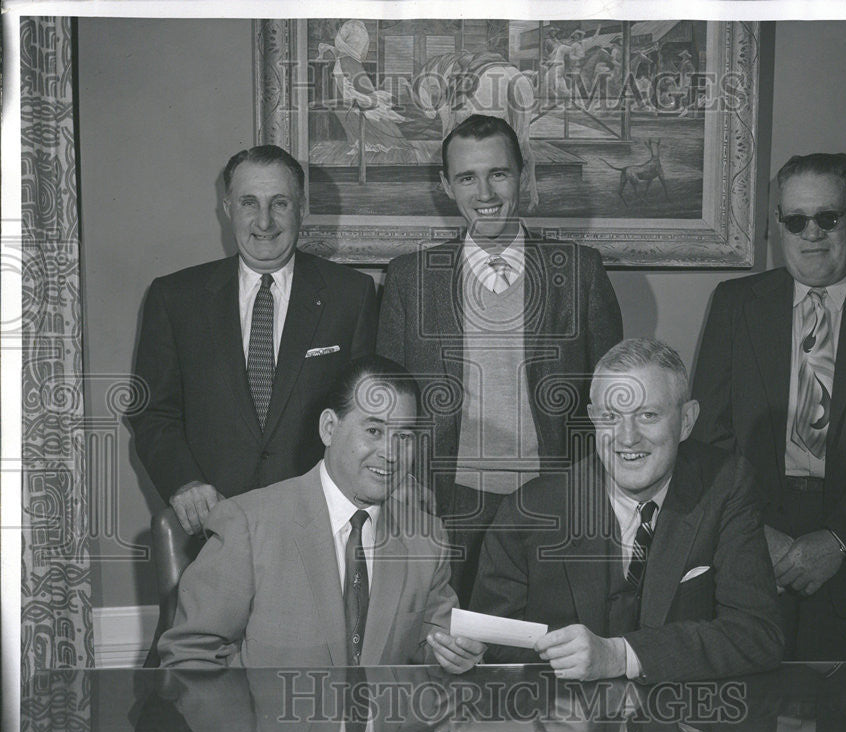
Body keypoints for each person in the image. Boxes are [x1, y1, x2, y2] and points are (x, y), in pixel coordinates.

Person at [691, 152, 846, 660]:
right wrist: (752, 531)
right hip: (750, 533)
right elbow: (708, 436)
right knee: (751, 716)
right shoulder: (735, 303)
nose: (811, 234)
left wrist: (838, 541)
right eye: (795, 220)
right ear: (777, 222)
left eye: (828, 218)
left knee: (842, 721)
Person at [376, 114, 623, 606]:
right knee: (449, 647)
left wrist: (596, 495)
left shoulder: (580, 271)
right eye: (467, 177)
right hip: (441, 502)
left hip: (551, 500)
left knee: (542, 651)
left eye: (499, 174)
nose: (484, 192)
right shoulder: (409, 279)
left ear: (523, 176)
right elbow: (388, 406)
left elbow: (610, 403)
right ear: (447, 186)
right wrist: (401, 484)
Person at [470, 338, 784, 683]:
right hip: (566, 725)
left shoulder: (725, 487)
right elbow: (494, 646)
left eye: (648, 415)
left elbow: (757, 635)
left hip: (685, 723)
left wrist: (622, 656)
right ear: (592, 419)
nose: (628, 437)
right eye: (611, 416)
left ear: (688, 420)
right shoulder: (529, 510)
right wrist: (468, 651)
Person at [157, 356, 486, 671]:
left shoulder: (426, 539)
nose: (390, 453)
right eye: (374, 431)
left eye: (404, 436)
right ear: (329, 428)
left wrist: (454, 658)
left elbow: (431, 647)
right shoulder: (247, 524)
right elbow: (189, 658)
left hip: (384, 728)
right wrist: (242, 728)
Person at [128, 145, 377, 536]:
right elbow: (152, 412)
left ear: (301, 207)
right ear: (227, 208)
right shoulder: (174, 298)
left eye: (280, 203)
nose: (264, 221)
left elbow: (365, 412)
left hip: (318, 525)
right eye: (249, 202)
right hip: (214, 524)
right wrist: (185, 483)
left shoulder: (352, 294)